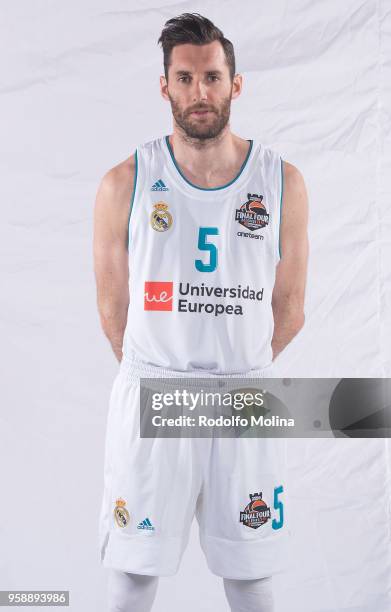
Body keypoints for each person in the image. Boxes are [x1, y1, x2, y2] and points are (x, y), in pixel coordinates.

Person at [93, 12, 309, 612]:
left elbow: (288, 312)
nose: (199, 92)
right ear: (164, 86)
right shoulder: (125, 182)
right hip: (155, 392)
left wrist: (232, 369)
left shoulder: (283, 181)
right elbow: (114, 312)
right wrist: (169, 370)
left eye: (212, 77)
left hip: (241, 398)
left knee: (250, 577)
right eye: (184, 78)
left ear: (235, 84)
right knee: (134, 575)